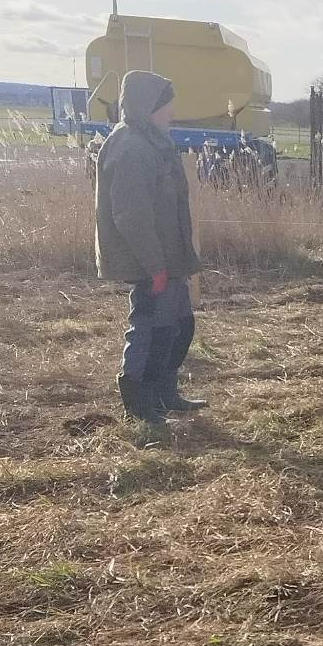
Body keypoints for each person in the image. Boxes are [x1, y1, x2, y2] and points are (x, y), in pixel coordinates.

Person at [93, 71, 205, 424]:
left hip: (169, 257)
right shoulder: (131, 148)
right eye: (167, 105)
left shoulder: (151, 140)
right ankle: (140, 405)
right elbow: (131, 216)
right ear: (149, 106)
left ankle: (164, 393)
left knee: (178, 326)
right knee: (150, 329)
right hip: (150, 261)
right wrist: (156, 267)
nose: (172, 112)